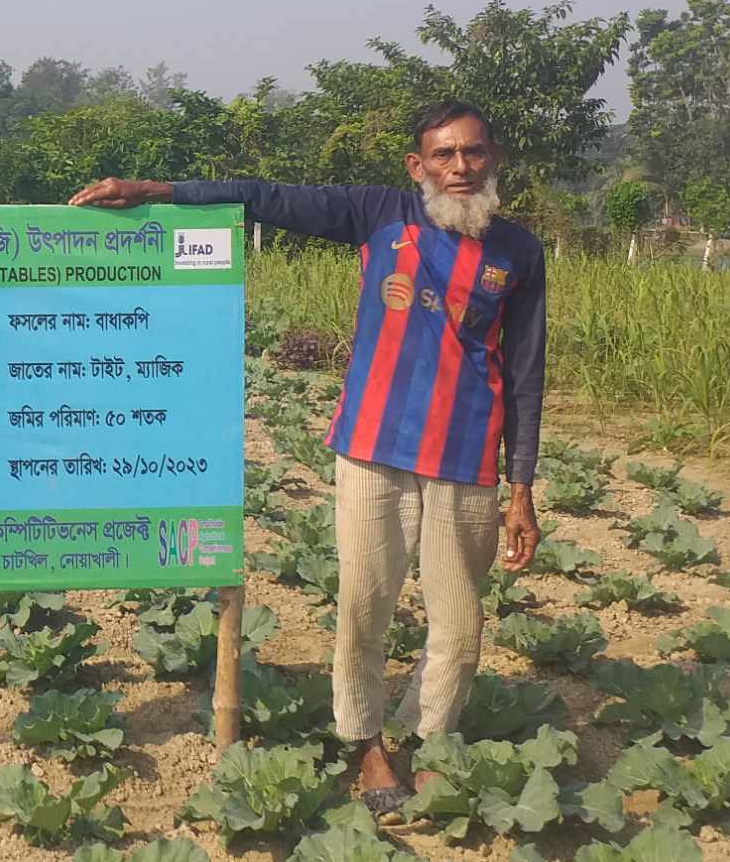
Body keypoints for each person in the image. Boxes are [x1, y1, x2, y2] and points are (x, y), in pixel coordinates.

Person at [69, 98, 544, 813]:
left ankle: (429, 740)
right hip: (373, 448)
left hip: (467, 455)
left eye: (473, 152)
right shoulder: (379, 214)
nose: (460, 166)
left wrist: (521, 487)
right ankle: (367, 744)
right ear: (417, 165)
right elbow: (265, 197)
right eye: (443, 154)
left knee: (460, 626)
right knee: (364, 607)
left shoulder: (518, 252)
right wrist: (156, 191)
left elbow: (527, 372)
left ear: (493, 158)